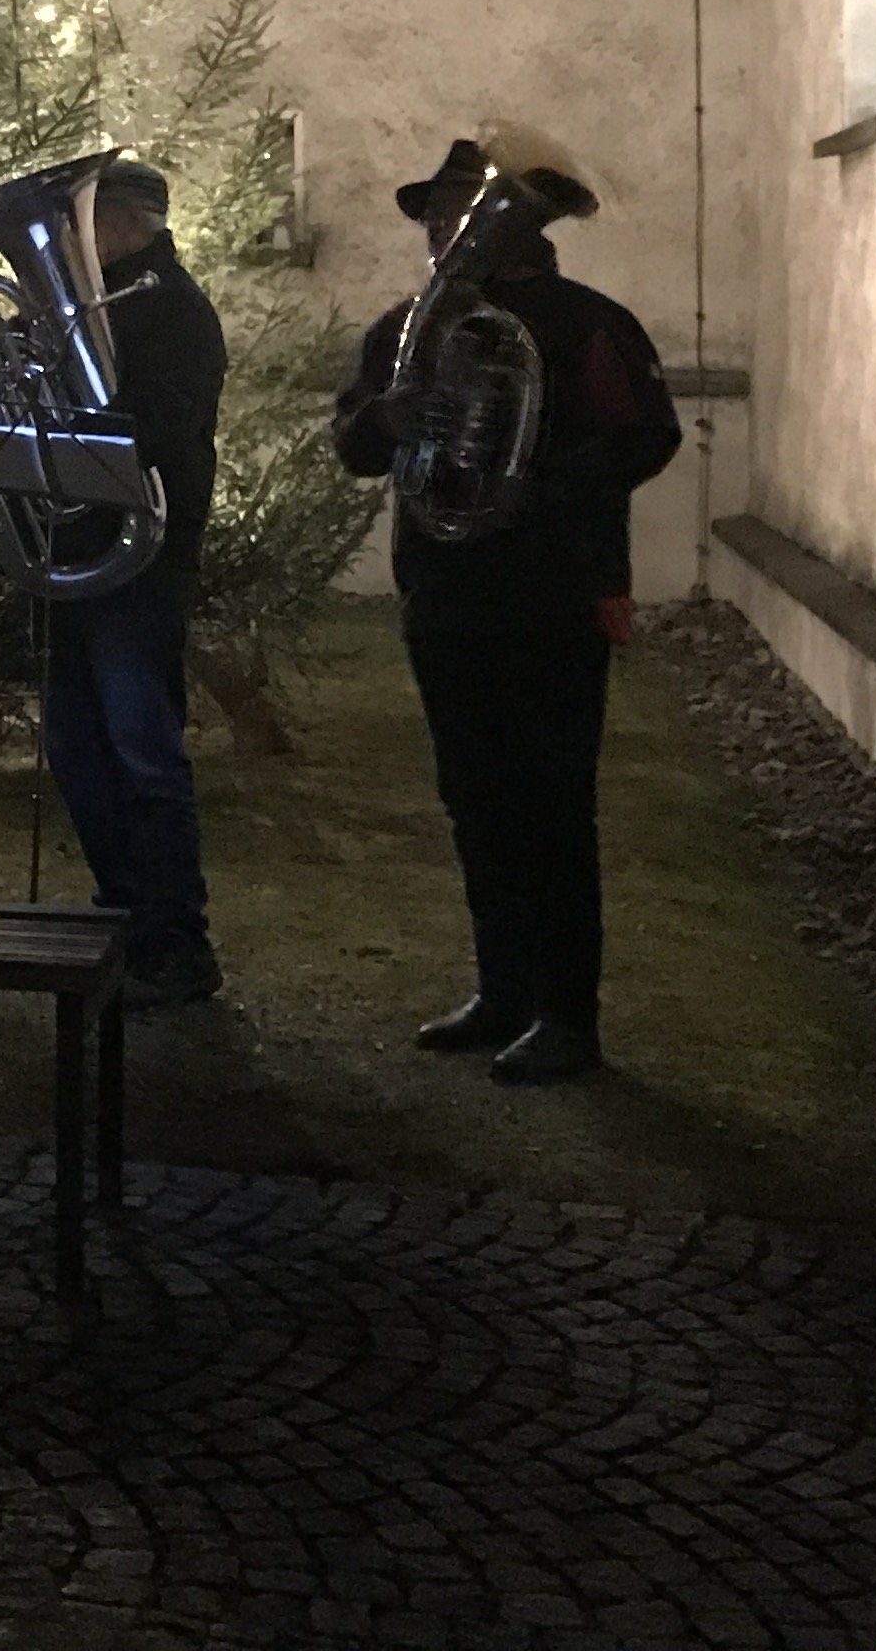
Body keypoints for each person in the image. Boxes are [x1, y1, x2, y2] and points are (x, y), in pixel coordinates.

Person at [334, 128, 681, 1086]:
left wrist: (535, 481)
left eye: (457, 212)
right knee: (475, 803)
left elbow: (648, 438)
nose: (444, 230)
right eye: (439, 215)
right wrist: (386, 418)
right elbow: (355, 443)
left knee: (555, 811)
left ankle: (570, 1018)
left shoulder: (588, 323)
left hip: (555, 598)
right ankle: (504, 993)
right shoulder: (407, 329)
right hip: (447, 598)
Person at [38, 158, 230, 1013]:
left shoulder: (176, 309)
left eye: (94, 218)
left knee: (144, 749)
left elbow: (159, 425)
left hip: (141, 554)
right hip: (75, 548)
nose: (83, 237)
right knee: (77, 746)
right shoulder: (84, 307)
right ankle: (121, 908)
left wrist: (78, 418)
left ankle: (178, 939)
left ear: (139, 220)